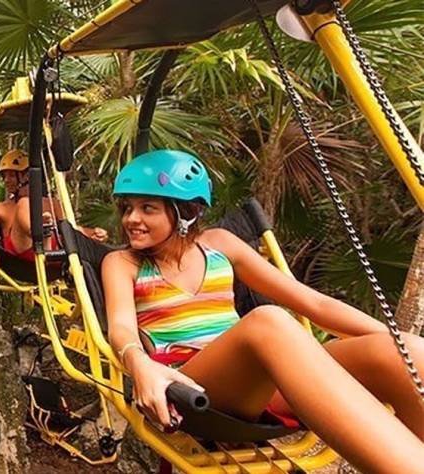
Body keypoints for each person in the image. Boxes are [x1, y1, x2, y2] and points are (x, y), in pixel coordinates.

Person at [102, 149, 424, 472]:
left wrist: (393, 337)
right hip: (191, 387)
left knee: (406, 350)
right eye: (127, 208)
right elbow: (121, 327)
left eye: (147, 208)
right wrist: (139, 362)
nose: (132, 219)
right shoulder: (122, 263)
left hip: (262, 382)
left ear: (185, 213)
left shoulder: (220, 245)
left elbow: (314, 303)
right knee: (267, 321)